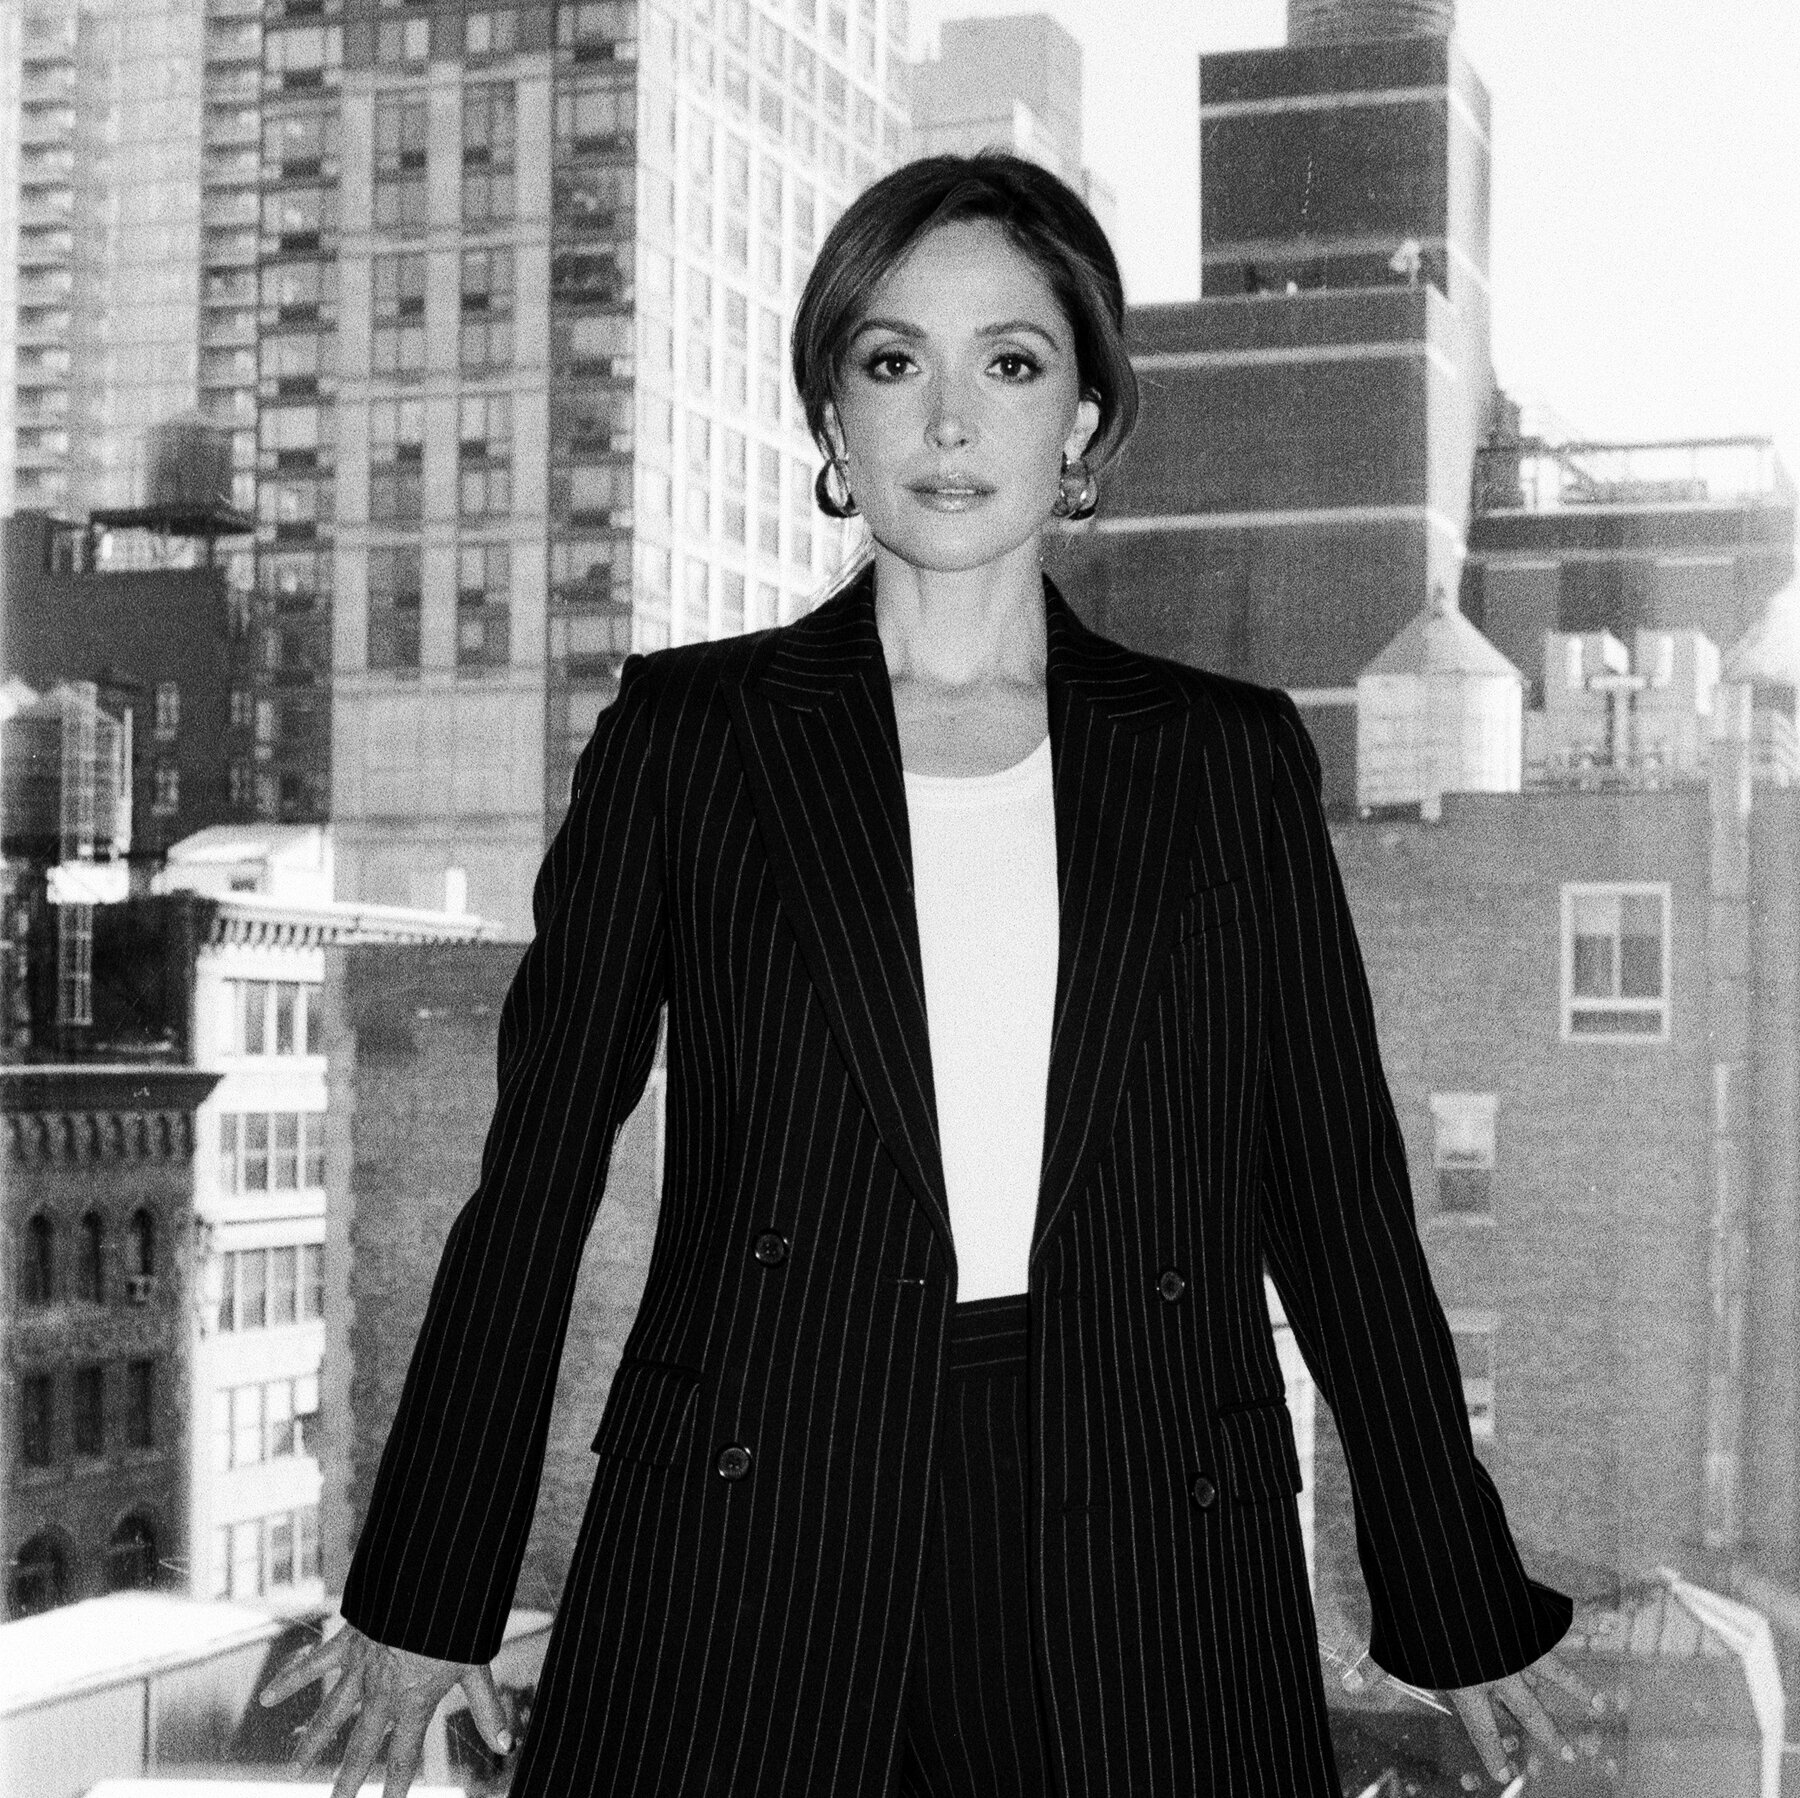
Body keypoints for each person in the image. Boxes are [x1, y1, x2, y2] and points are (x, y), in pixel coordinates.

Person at [258, 152, 1602, 1797]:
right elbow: (533, 1180)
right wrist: (428, 1583)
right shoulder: (693, 739)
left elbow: (1334, 1200)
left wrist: (1452, 1587)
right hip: (753, 1522)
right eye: (895, 360)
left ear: (1084, 423)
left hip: (1150, 1529)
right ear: (835, 410)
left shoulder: (1222, 762)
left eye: (1011, 363)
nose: (951, 420)